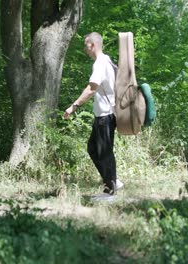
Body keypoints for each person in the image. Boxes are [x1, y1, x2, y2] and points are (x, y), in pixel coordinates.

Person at [64, 32, 123, 200]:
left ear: (93, 45)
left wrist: (74, 106)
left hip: (106, 114)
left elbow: (91, 88)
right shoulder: (107, 60)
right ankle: (113, 181)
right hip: (105, 114)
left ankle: (110, 191)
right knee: (93, 148)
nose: (85, 50)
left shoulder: (100, 63)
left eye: (86, 46)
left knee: (104, 152)